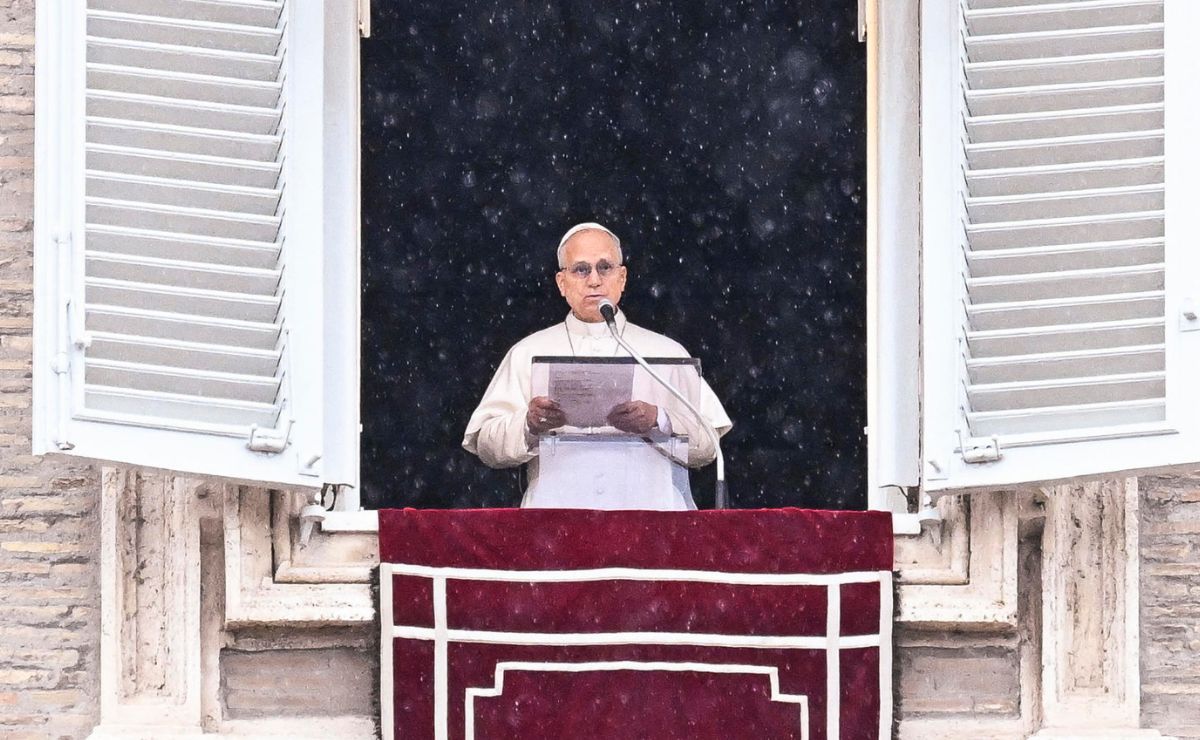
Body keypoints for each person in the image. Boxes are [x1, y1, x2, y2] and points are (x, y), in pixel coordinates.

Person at [462, 222, 732, 509]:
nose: (594, 280)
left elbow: (708, 446)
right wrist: (529, 424)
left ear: (622, 277)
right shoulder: (528, 352)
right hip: (555, 524)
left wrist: (658, 419)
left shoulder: (667, 352)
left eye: (605, 267)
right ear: (561, 283)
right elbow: (488, 447)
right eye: (581, 269)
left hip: (653, 523)